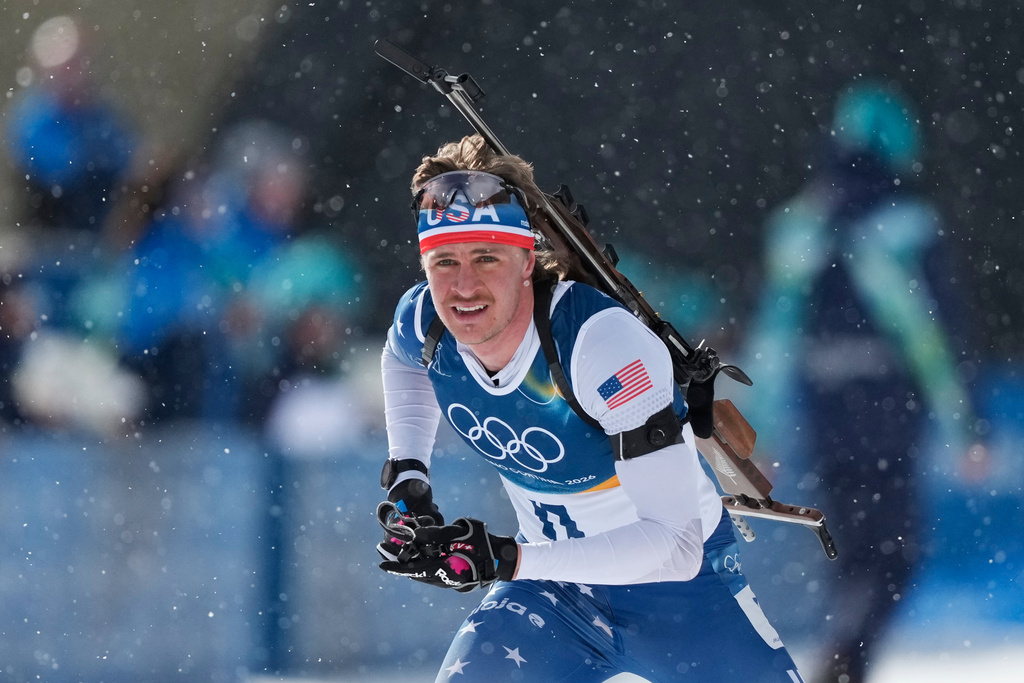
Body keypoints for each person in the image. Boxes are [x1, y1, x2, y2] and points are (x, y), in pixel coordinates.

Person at [375, 134, 805, 682]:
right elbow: (400, 358)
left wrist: (506, 559)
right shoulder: (425, 321)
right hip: (551, 593)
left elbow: (675, 547)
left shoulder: (600, 346)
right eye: (443, 262)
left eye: (486, 257)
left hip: (682, 595)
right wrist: (409, 475)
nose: (463, 286)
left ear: (525, 260)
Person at [737, 83, 985, 683]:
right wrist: (969, 423)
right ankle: (847, 661)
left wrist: (757, 432)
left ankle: (844, 657)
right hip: (890, 404)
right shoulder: (909, 226)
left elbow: (773, 336)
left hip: (824, 406)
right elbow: (937, 336)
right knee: (896, 556)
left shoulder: (799, 227)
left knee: (851, 555)